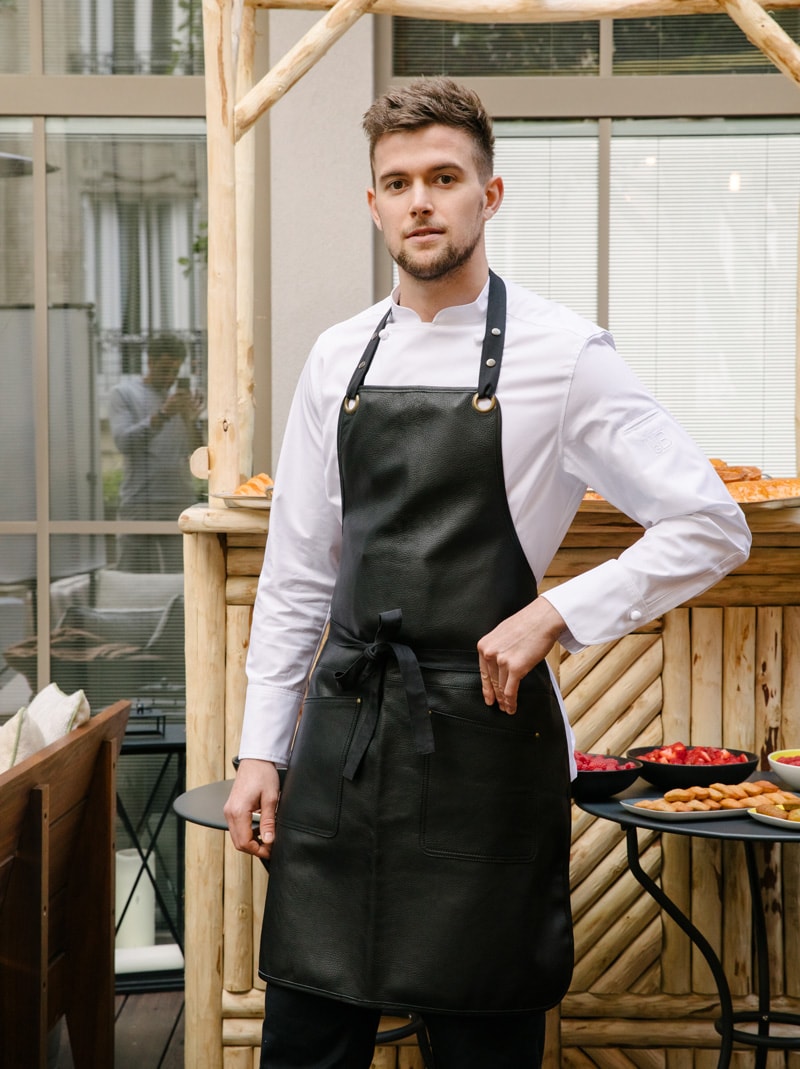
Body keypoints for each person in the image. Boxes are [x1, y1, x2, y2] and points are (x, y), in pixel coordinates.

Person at [224, 77, 751, 1068]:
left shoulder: (566, 355)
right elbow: (296, 575)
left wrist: (555, 612)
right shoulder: (337, 359)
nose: (419, 201)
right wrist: (261, 749)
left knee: (481, 1040)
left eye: (444, 177)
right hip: (343, 740)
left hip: (484, 746)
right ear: (373, 203)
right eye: (397, 183)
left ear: (489, 194)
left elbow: (709, 524)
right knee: (306, 1033)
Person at [108, 333, 203, 572]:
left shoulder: (180, 400)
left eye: (175, 371)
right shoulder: (125, 394)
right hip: (140, 501)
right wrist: (163, 415)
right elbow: (124, 442)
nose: (169, 377)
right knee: (131, 573)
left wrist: (191, 421)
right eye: (164, 370)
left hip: (179, 501)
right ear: (150, 362)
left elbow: (199, 455)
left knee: (182, 574)